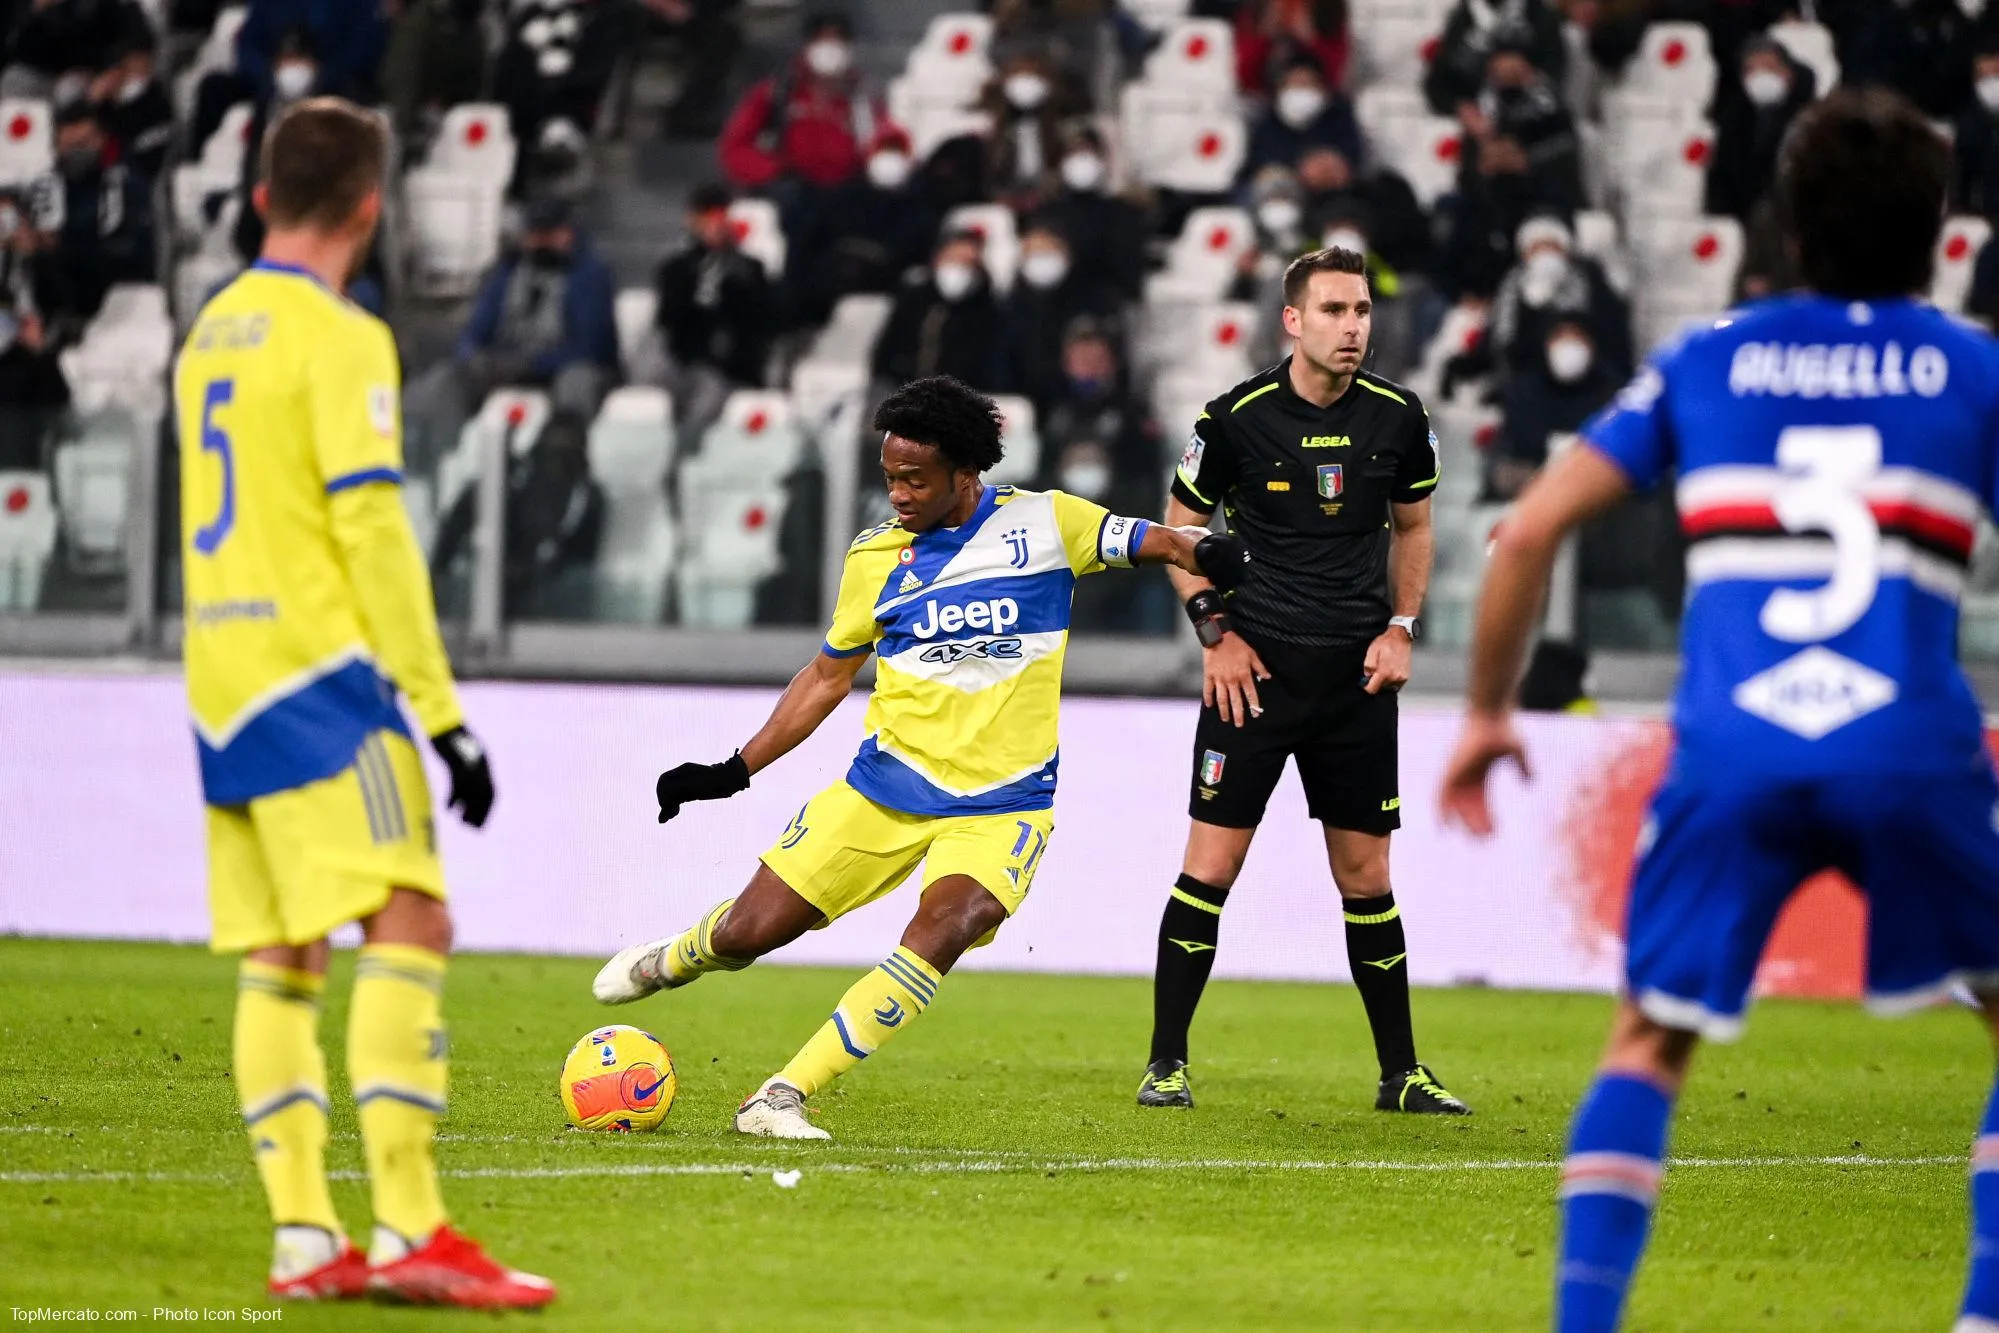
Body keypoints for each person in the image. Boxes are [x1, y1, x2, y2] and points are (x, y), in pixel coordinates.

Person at [1437, 88, 1999, 1332]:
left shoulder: (1708, 359)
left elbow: (1526, 529)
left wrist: (1484, 712)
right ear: (1940, 231)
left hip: (1733, 750)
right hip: (1912, 742)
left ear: (1788, 230)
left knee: (1646, 1040)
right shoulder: (1971, 368)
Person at [589, 374, 1252, 1137]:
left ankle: (778, 1095)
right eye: (890, 478)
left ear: (966, 472)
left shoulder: (1046, 524)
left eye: (915, 479)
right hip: (883, 791)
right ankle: (674, 957)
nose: (899, 494)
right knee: (749, 933)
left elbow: (1155, 539)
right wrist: (733, 769)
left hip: (1004, 804)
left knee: (949, 923)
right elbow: (825, 677)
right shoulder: (875, 559)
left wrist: (1206, 551)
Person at [172, 95, 551, 1307]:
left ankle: (302, 1238)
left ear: (266, 194)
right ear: (373, 206)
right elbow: (372, 524)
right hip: (321, 677)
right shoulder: (339, 336)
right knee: (411, 919)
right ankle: (409, 1228)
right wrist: (440, 710)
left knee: (284, 953)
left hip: (221, 678)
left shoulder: (209, 328)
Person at [1137, 247, 1469, 1117]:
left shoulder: (1400, 417)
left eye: (1360, 310)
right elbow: (1177, 529)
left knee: (1367, 878)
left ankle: (1401, 1074)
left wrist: (1402, 628)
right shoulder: (1235, 417)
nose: (1351, 327)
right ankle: (1165, 1063)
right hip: (1255, 675)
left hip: (1355, 680)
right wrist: (1216, 634)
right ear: (1293, 320)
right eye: (1332, 310)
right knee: (1210, 866)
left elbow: (1415, 526)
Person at [430, 408, 605, 618]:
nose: (560, 448)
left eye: (568, 443)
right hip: (486, 584)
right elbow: (460, 519)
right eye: (554, 440)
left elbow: (580, 557)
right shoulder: (512, 476)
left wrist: (532, 569)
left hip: (550, 597)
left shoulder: (587, 497)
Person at [717, 11, 887, 205]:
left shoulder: (865, 97)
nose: (830, 47)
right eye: (821, 39)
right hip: (791, 196)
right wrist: (775, 172)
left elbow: (886, 142)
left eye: (837, 39)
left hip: (848, 195)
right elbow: (734, 147)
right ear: (807, 46)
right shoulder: (776, 93)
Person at [653, 182, 777, 444]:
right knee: (655, 385)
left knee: (706, 393)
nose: (714, 225)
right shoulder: (676, 268)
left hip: (727, 367)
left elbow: (756, 325)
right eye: (705, 217)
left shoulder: (749, 269)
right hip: (683, 361)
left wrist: (728, 282)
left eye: (719, 217)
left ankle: (680, 460)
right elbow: (668, 319)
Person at [783, 126, 935, 328]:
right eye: (884, 151)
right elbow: (809, 244)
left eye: (898, 153)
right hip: (831, 288)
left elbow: (917, 251)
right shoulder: (840, 198)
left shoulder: (921, 207)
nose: (890, 159)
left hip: (888, 289)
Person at [41, 102, 155, 315]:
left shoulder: (122, 177)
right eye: (69, 145)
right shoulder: (50, 180)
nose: (77, 152)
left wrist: (57, 243)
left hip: (120, 293)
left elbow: (121, 246)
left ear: (101, 138)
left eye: (84, 143)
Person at [1001, 219, 1121, 415]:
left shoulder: (1093, 303)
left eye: (1048, 251)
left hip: (1076, 409)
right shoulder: (1012, 309)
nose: (1041, 260)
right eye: (1034, 253)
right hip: (1022, 406)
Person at [871, 229, 1010, 391]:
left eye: (966, 263)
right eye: (952, 259)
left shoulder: (988, 313)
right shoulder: (914, 302)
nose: (958, 269)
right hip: (905, 393)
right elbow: (886, 353)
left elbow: (992, 365)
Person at [1705, 34, 1816, 222]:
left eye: (1770, 68)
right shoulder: (1732, 119)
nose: (1762, 77)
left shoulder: (1810, 119)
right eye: (1752, 71)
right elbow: (1722, 177)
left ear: (1788, 73)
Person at [1038, 125, 1149, 303]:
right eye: (1074, 153)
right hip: (1056, 307)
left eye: (1088, 153)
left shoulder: (1123, 214)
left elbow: (1130, 279)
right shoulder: (1046, 215)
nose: (1082, 160)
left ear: (1102, 160)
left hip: (1105, 311)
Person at [1240, 57, 1362, 187]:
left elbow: (1352, 156)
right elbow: (1260, 166)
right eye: (1295, 84)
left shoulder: (1339, 119)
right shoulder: (1267, 125)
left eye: (1307, 84)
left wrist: (1330, 165)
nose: (1301, 90)